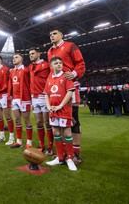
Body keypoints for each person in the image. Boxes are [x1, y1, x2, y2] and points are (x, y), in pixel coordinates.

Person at [47, 28, 85, 164]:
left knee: (73, 119)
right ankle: (62, 153)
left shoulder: (70, 45)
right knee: (58, 121)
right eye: (50, 34)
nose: (52, 36)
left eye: (54, 33)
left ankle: (76, 152)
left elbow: (80, 63)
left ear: (61, 35)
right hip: (56, 89)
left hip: (69, 87)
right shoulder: (49, 51)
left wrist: (74, 74)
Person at [44, 56, 77, 171]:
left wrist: (60, 106)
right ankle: (59, 157)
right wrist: (49, 107)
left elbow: (70, 92)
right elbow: (46, 94)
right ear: (51, 66)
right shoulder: (49, 78)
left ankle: (69, 158)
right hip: (53, 110)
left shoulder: (66, 76)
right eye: (56, 63)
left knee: (67, 132)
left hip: (64, 110)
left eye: (60, 63)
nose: (59, 64)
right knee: (55, 131)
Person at [29, 47, 54, 156]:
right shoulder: (30, 67)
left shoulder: (46, 64)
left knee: (47, 122)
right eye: (30, 54)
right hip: (34, 97)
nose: (31, 55)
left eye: (33, 53)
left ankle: (50, 146)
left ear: (39, 54)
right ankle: (41, 145)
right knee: (38, 122)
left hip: (44, 96)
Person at [8, 53, 32, 149]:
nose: (14, 59)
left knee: (26, 120)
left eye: (16, 57)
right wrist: (10, 95)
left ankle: (29, 142)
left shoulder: (26, 70)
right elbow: (11, 84)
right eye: (13, 57)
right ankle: (18, 141)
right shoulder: (12, 71)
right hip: (15, 99)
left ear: (21, 59)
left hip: (24, 98)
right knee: (17, 120)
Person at [0, 55, 15, 145]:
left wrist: (10, 93)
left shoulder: (6, 69)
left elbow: (11, 77)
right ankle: (2, 136)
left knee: (8, 116)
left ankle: (12, 137)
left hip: (4, 95)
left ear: (1, 61)